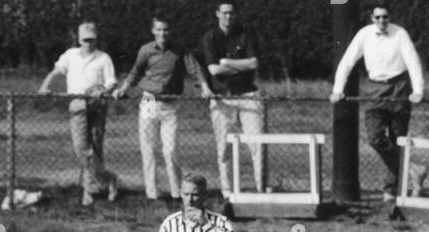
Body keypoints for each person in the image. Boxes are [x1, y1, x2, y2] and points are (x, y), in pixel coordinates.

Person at [330, 5, 426, 202]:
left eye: (386, 17)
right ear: (372, 18)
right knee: (375, 138)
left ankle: (390, 191)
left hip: (399, 87)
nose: (382, 21)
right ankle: (413, 169)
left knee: (398, 139)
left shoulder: (400, 34)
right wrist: (337, 89)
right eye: (378, 17)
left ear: (390, 17)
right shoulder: (364, 35)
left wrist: (418, 90)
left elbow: (412, 61)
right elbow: (347, 62)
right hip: (375, 88)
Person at [113, 17, 213, 204]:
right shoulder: (146, 50)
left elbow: (194, 69)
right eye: (159, 29)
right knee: (149, 149)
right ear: (153, 31)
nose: (162, 33)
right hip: (149, 100)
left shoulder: (179, 49)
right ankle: (152, 195)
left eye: (166, 30)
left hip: (170, 103)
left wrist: (205, 87)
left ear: (170, 31)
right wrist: (123, 89)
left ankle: (177, 194)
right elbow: (135, 72)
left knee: (170, 150)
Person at [38, 22, 119, 208]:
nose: (88, 43)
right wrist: (45, 86)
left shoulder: (103, 58)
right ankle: (108, 179)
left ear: (96, 39)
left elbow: (112, 82)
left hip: (98, 105)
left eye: (91, 40)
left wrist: (104, 90)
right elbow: (56, 72)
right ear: (79, 39)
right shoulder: (70, 55)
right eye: (85, 40)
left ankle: (88, 190)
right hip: (77, 104)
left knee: (96, 148)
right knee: (81, 148)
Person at [199, 2, 265, 197]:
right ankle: (227, 192)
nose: (229, 17)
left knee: (257, 144)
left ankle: (260, 189)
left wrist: (228, 63)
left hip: (248, 96)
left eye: (232, 13)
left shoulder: (246, 33)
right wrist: (241, 65)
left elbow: (254, 62)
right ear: (217, 14)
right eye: (225, 13)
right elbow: (213, 70)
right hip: (222, 98)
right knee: (223, 147)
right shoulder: (210, 38)